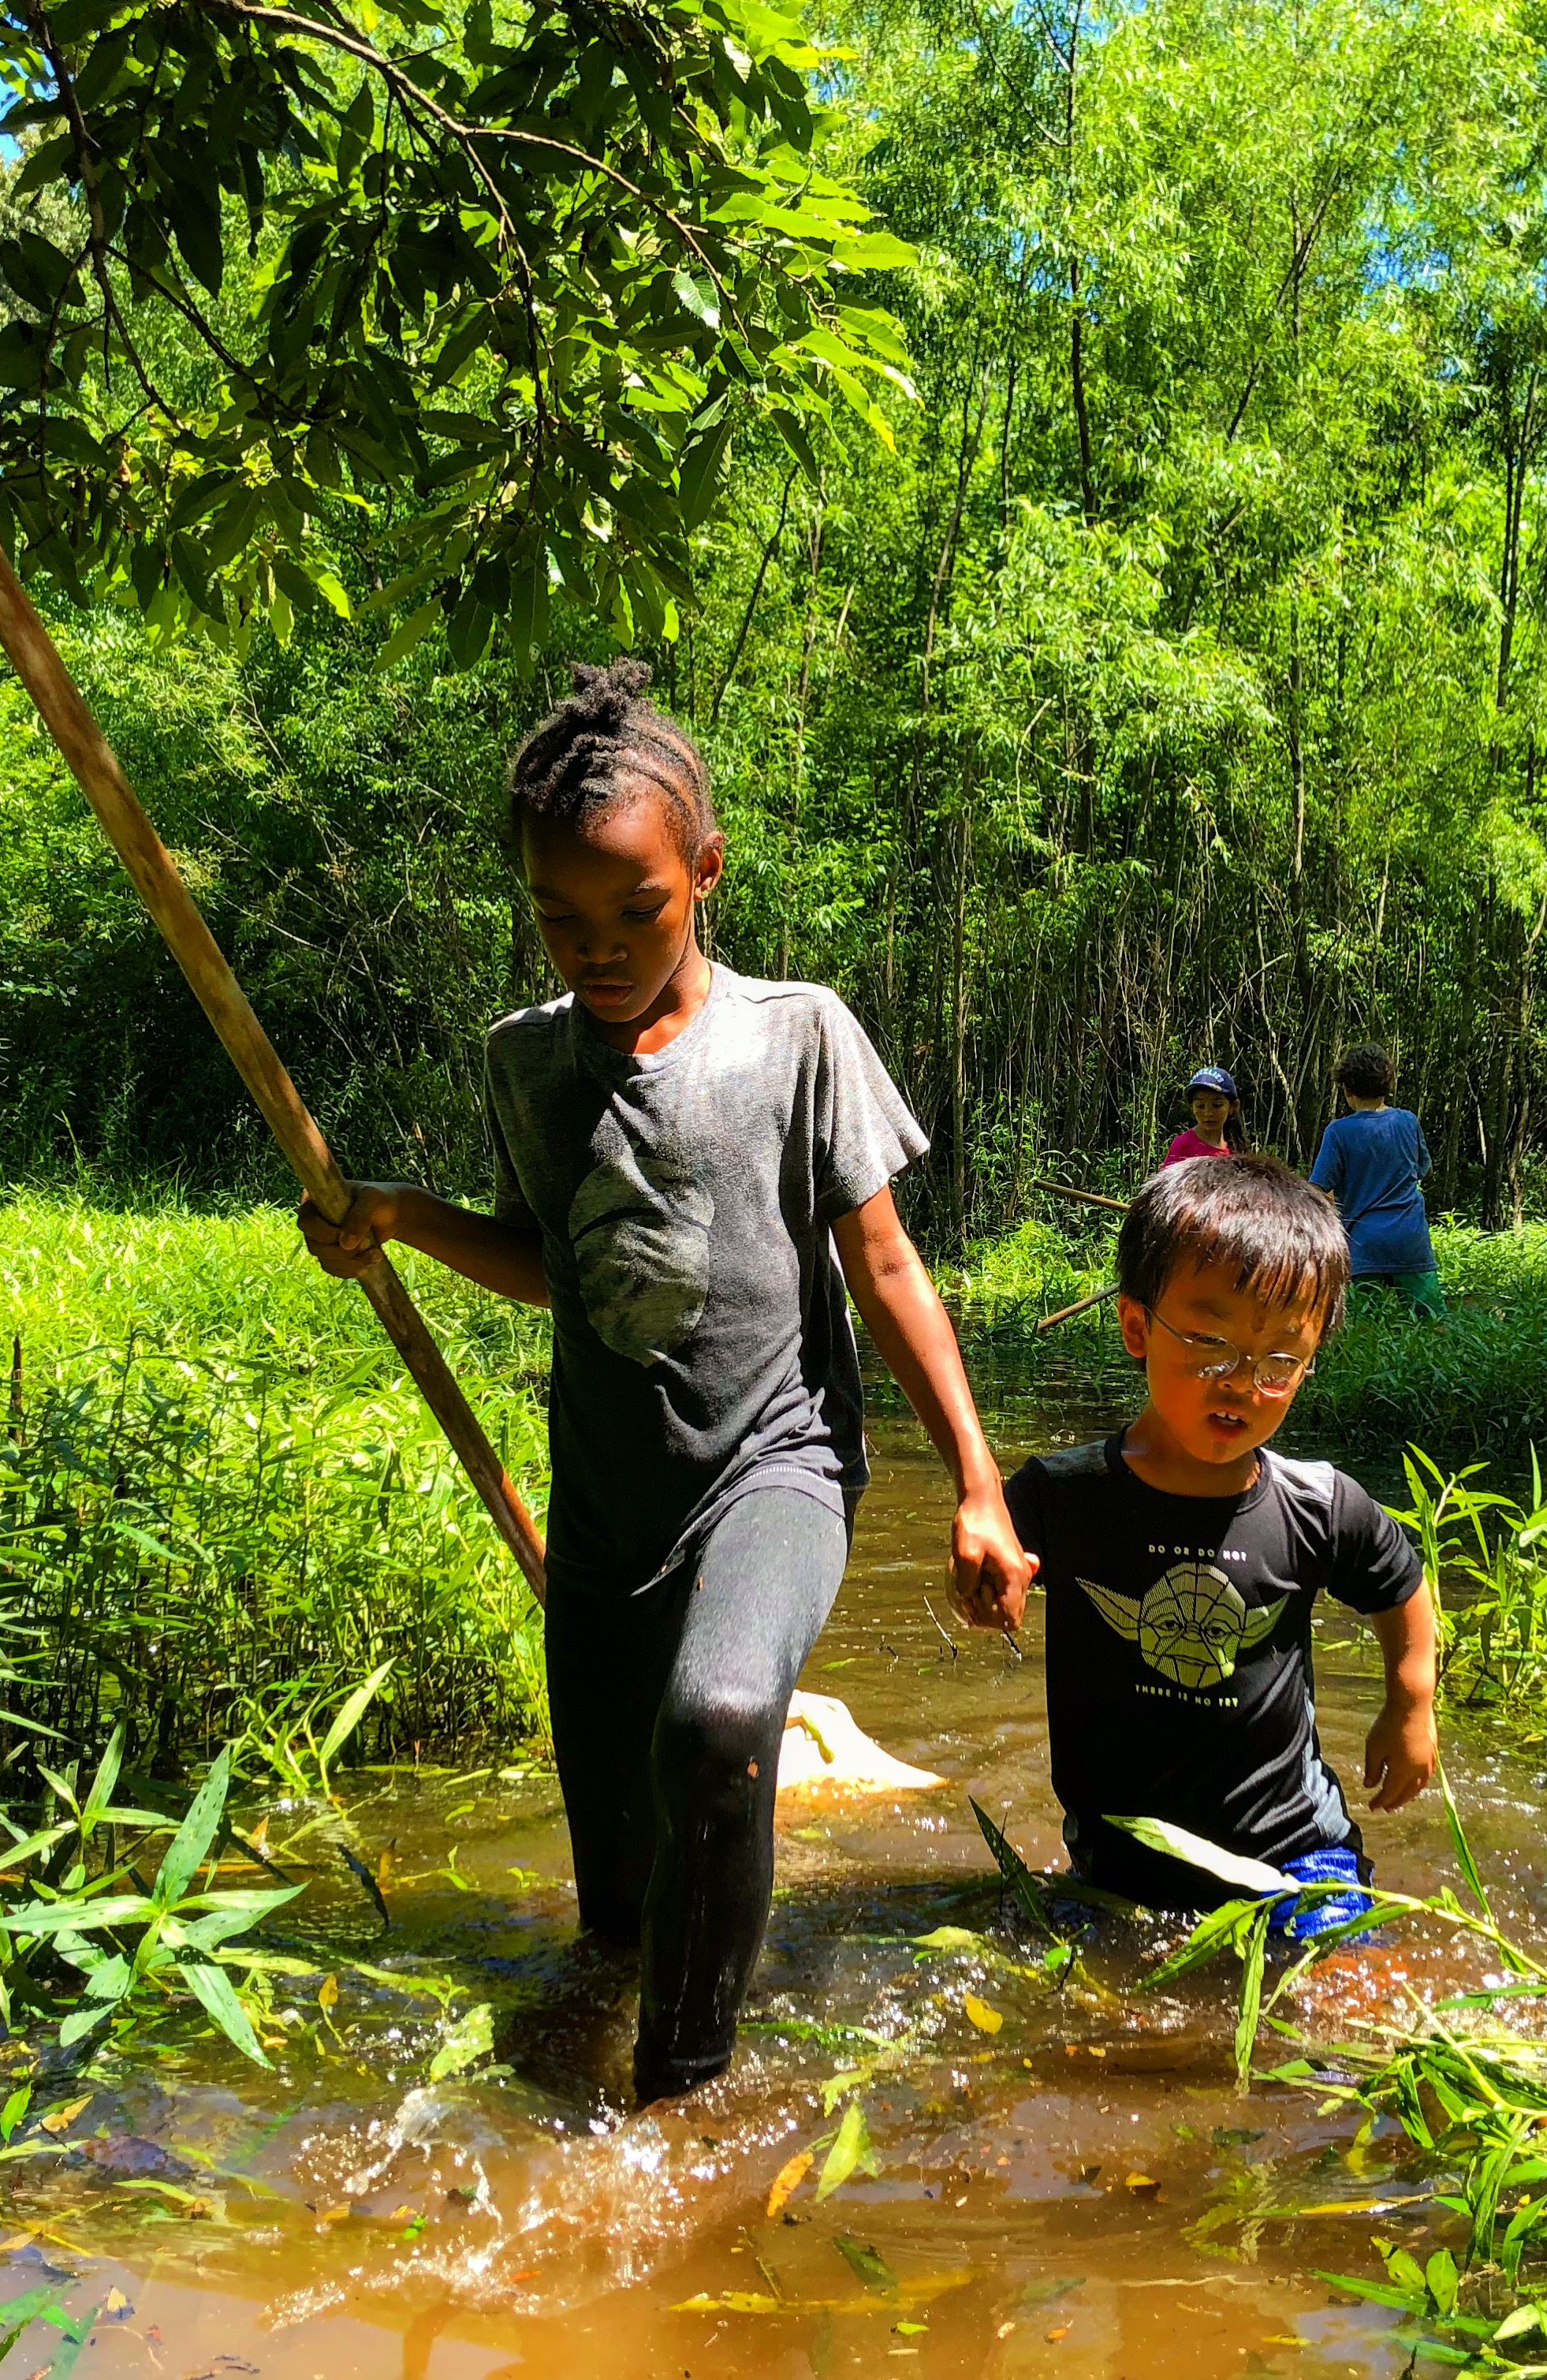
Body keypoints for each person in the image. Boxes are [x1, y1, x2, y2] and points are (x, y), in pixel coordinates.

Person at [298, 659, 1034, 2106]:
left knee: (715, 1721)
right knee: (618, 1915)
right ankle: (620, 2049)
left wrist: (978, 1481)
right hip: (609, 1515)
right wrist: (398, 1213)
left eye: (636, 910)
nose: (599, 946)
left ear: (702, 874)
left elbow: (881, 1264)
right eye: (558, 918)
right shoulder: (523, 1063)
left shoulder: (795, 1033)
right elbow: (558, 1263)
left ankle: (685, 2112)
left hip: (780, 1464)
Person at [986, 1155, 1437, 1930]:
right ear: (1136, 1327)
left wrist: (1410, 1705)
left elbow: (1399, 1581)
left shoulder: (1320, 1506)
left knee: (1336, 2018)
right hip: (1121, 1864)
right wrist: (988, 1580)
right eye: (1209, 1343)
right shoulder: (1062, 1497)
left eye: (1279, 1361)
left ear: (1310, 1362)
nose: (1239, 1381)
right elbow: (987, 1551)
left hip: (1295, 1856)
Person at [1310, 1044, 1444, 1319]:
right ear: (1388, 1083)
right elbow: (1424, 1171)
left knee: (1365, 1327)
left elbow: (1317, 1188)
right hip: (1410, 1238)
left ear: (1347, 1089)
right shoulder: (1408, 1121)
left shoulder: (1338, 1132)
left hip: (1363, 1243)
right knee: (1431, 1321)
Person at [1165, 1065, 1243, 1165]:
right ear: (1192, 1108)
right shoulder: (1183, 1145)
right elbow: (1167, 1180)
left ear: (1232, 1106)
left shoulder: (1235, 1147)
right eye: (1200, 1106)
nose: (1208, 1113)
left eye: (1216, 1105)